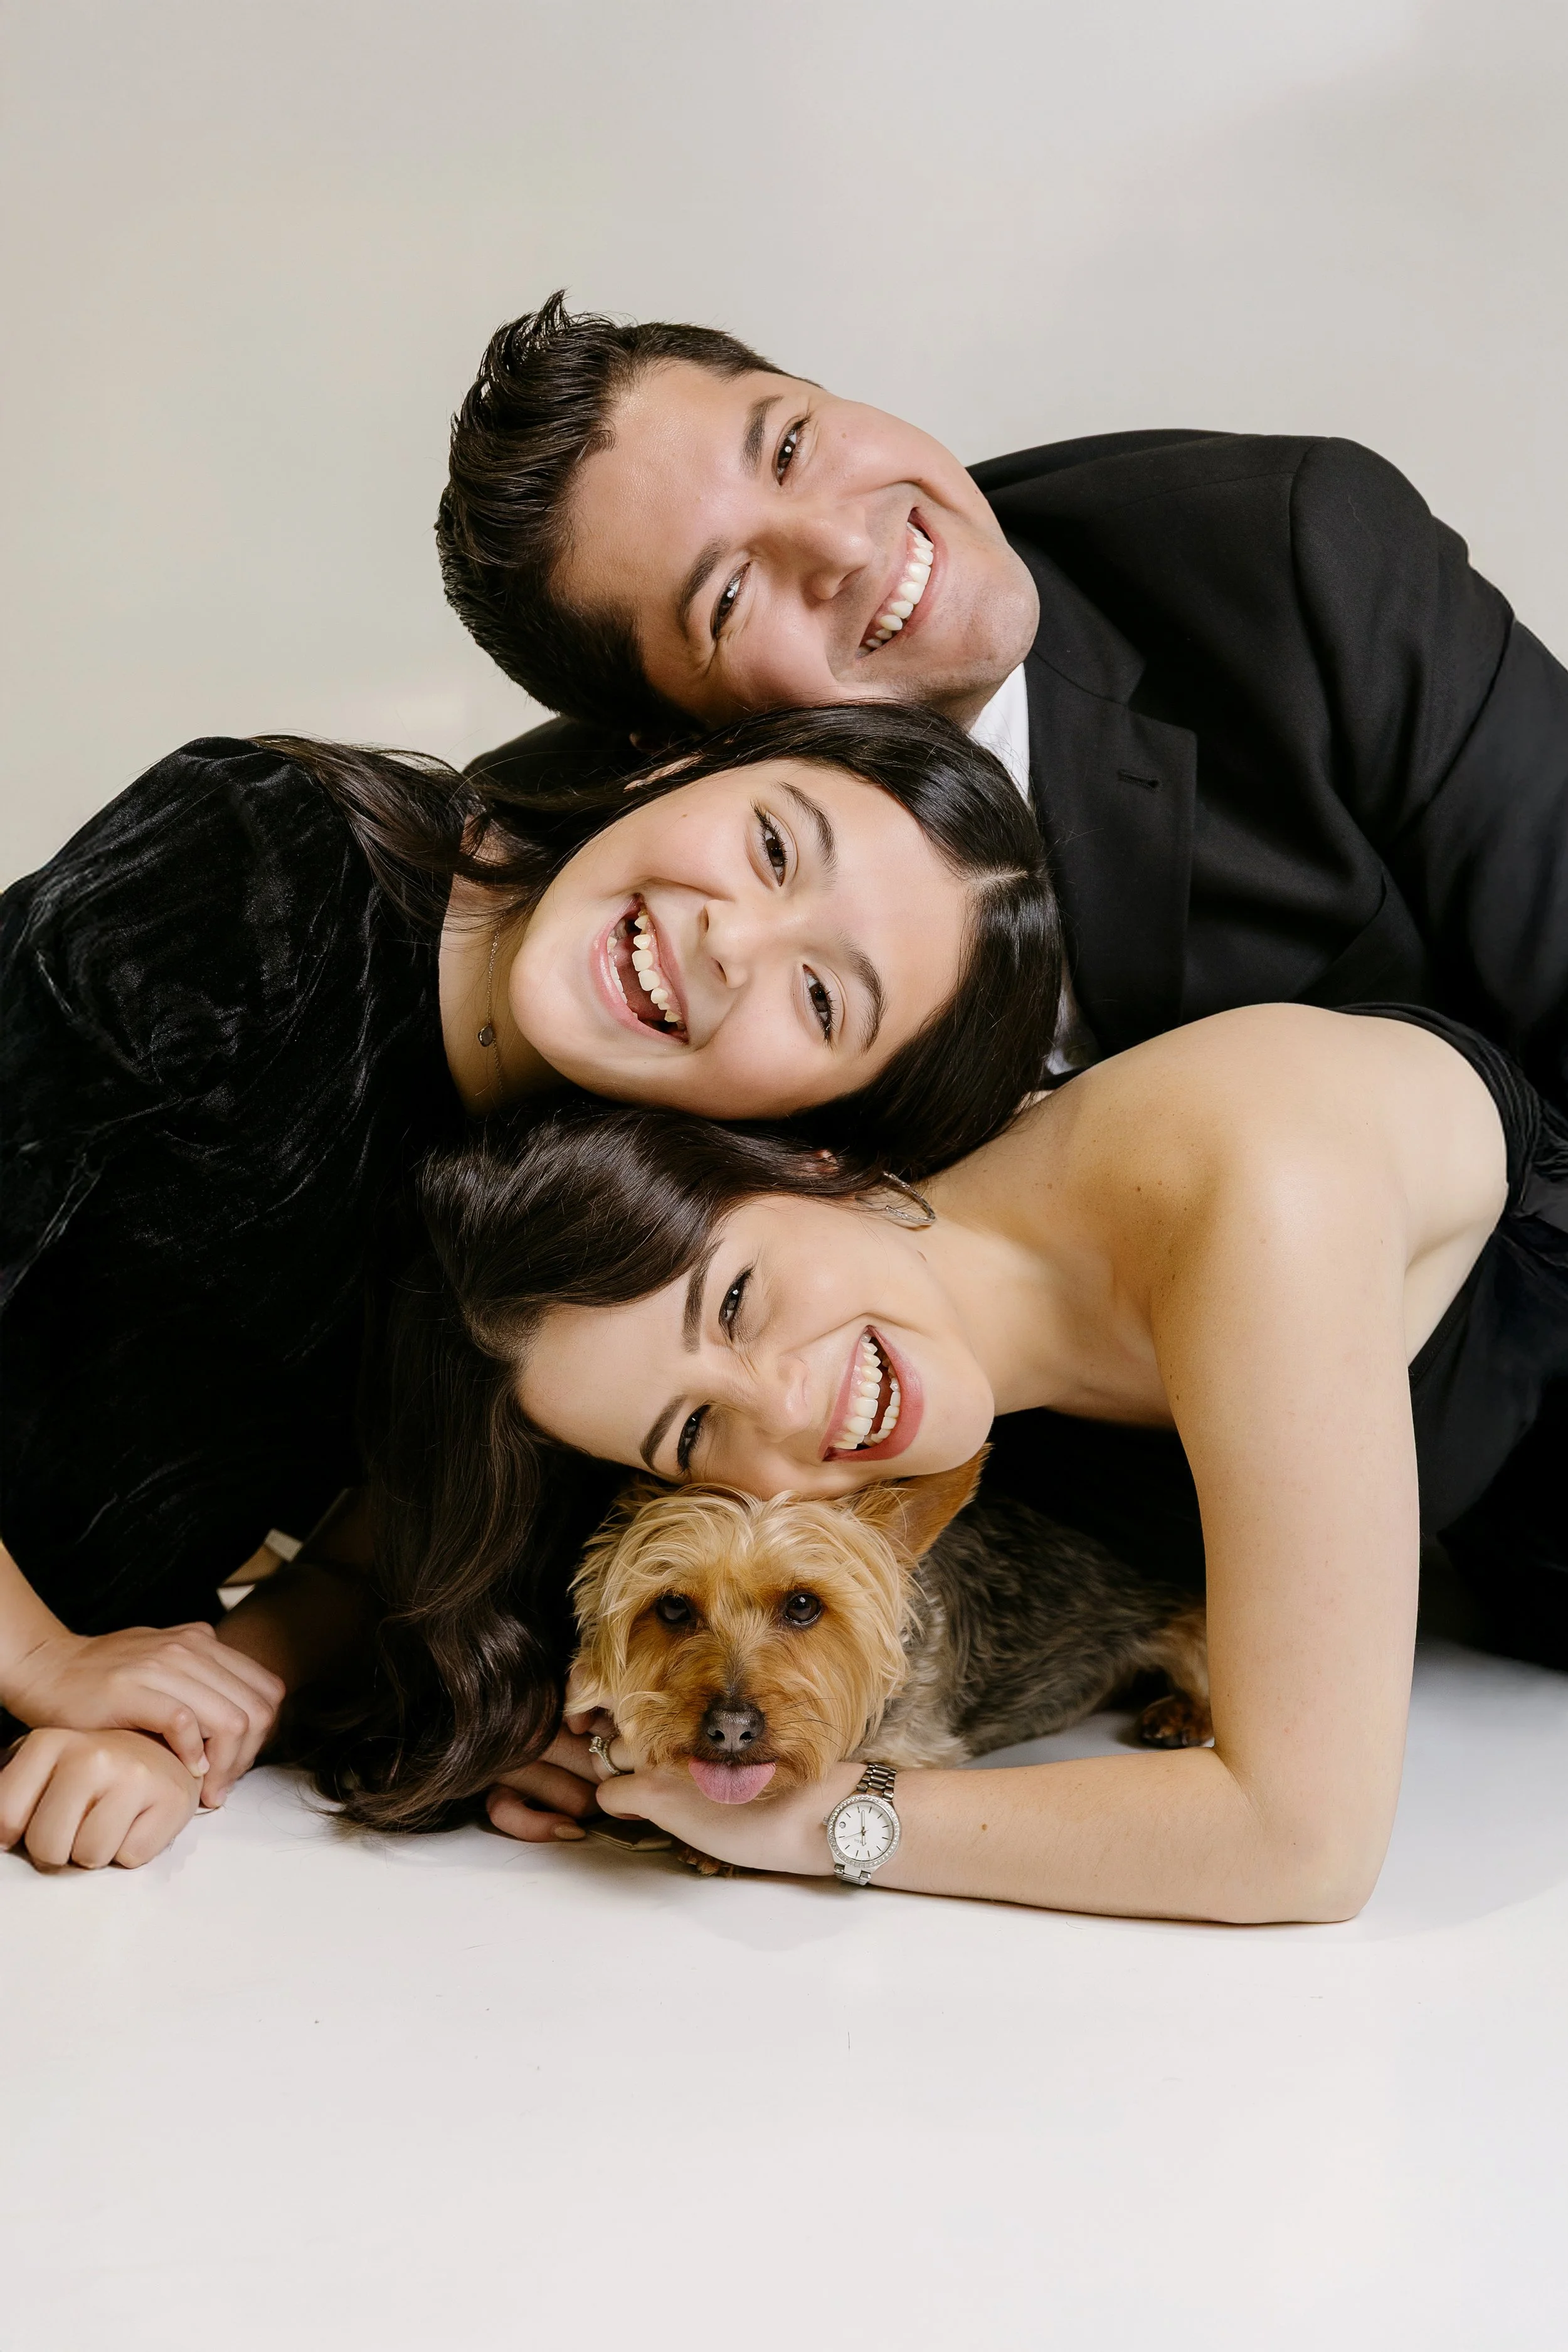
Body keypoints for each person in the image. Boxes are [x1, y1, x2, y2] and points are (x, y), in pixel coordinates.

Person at [0, 705, 1059, 1868]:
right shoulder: (266, 859)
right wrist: (43, 1658)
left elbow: (366, 1566)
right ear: (681, 756)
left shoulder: (619, 1270)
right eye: (774, 845)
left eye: (821, 1000)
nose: (733, 943)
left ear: (814, 1135)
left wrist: (187, 1717)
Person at [360, 1002, 1565, 1918]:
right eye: (691, 1431)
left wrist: (824, 1825)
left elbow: (1306, 1849)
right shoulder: (875, 1431)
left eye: (734, 1300)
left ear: (798, 1166)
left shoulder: (1261, 1186)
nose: (790, 1404)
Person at [438, 295, 1568, 1119]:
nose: (845, 541)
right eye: (730, 597)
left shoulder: (1296, 561)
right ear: (677, 751)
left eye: (791, 444)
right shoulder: (594, 928)